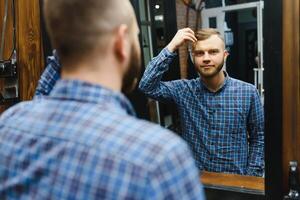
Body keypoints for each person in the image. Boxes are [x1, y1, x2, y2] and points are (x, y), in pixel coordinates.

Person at [0, 1, 205, 199]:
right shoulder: (158, 158)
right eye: (135, 36)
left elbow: (42, 94)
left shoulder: (9, 125)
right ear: (121, 42)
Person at [139, 28, 264, 177]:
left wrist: (250, 178)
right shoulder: (183, 90)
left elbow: (259, 138)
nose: (206, 58)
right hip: (196, 181)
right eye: (199, 53)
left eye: (213, 52)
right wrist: (171, 46)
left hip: (235, 182)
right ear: (193, 58)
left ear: (225, 55)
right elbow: (146, 85)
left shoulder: (248, 92)